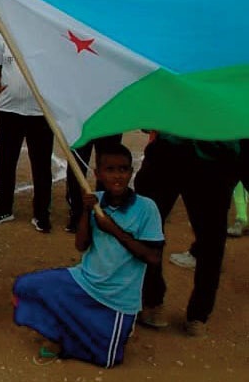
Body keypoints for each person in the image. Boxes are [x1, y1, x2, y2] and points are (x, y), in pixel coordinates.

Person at [13, 143, 163, 367]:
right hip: (84, 280)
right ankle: (60, 334)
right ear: (98, 174)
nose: (117, 176)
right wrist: (85, 212)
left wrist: (113, 229)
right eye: (110, 170)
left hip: (118, 297)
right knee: (25, 287)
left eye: (123, 170)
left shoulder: (146, 208)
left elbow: (153, 257)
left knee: (108, 360)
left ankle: (80, 335)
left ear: (131, 173)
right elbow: (81, 246)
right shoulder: (95, 201)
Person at [134, 134, 240, 337]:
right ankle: (153, 299)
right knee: (147, 225)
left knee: (211, 238)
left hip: (214, 156)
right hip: (172, 150)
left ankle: (198, 314)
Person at [0, 34, 54, 233]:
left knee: (41, 165)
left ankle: (41, 214)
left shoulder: (45, 35)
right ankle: (4, 209)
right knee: (6, 163)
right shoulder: (4, 37)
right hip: (9, 109)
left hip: (40, 112)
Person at [63, 135, 124, 233]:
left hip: (84, 123)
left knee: (79, 164)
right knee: (106, 163)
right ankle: (100, 213)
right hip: (105, 124)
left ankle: (79, 216)